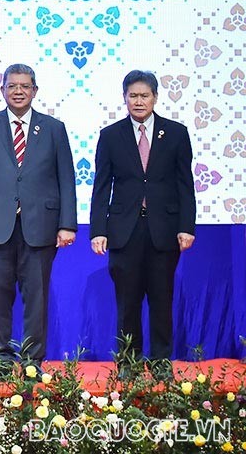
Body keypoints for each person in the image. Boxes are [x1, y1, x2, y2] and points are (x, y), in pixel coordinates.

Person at [0, 63, 76, 380]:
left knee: (37, 298)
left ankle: (32, 361)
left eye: (25, 86)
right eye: (12, 86)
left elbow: (66, 178)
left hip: (41, 226)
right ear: (3, 90)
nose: (19, 91)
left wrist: (68, 224)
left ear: (35, 90)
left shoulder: (53, 128)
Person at [89, 70, 195, 379]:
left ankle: (161, 363)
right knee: (128, 301)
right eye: (133, 96)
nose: (138, 101)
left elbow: (185, 185)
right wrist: (99, 230)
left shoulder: (176, 133)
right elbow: (101, 186)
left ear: (155, 98)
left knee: (162, 299)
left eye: (144, 95)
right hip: (125, 232)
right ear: (124, 98)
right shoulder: (111, 135)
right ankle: (129, 364)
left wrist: (186, 226)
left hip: (164, 230)